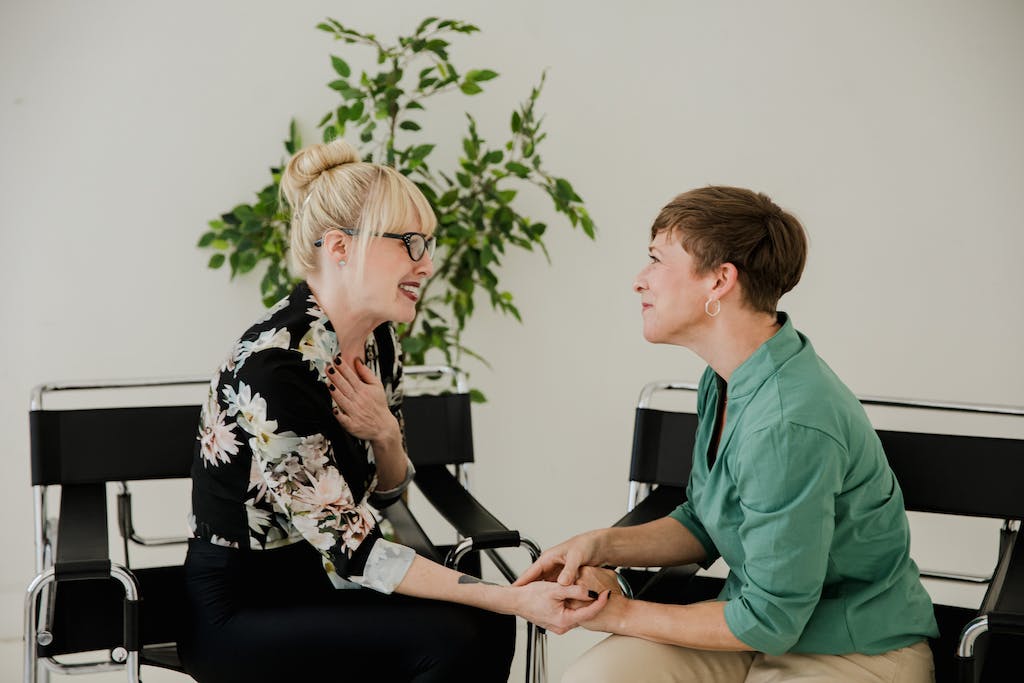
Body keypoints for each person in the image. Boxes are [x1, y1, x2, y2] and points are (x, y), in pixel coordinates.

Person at [179, 138, 602, 682]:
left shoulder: (377, 340)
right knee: (456, 636)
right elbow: (353, 546)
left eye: (427, 244)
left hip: (318, 582)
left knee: (487, 625)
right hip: (238, 608)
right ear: (338, 247)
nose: (427, 265)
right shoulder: (273, 369)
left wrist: (386, 436)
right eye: (409, 243)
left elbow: (387, 494)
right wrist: (512, 597)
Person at [515, 186, 938, 682]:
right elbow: (706, 522)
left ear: (719, 281)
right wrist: (599, 545)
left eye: (656, 260)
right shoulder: (727, 378)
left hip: (848, 649)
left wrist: (618, 613)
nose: (639, 280)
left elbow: (770, 619)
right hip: (745, 629)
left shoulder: (788, 421)